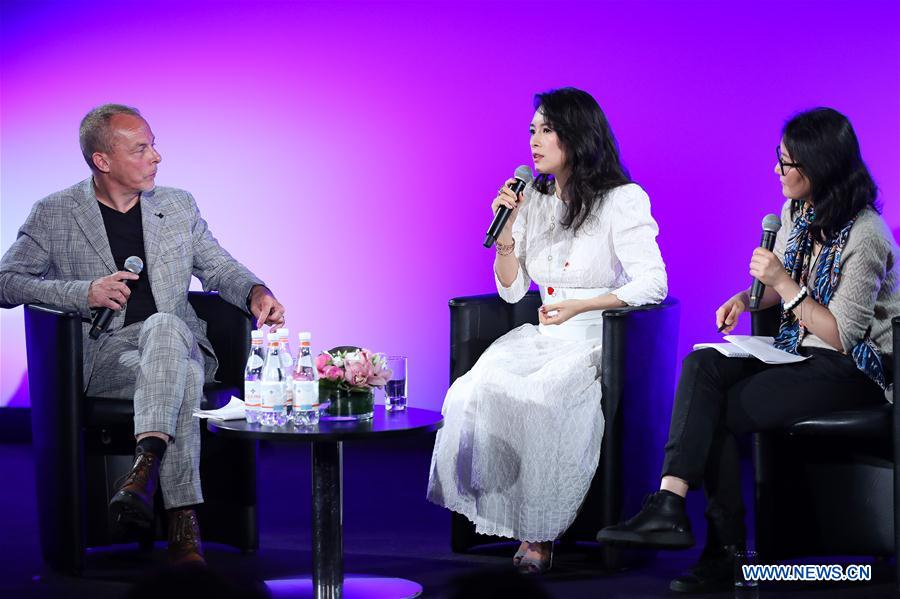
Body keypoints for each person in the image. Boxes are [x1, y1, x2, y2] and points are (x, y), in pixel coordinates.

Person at [597, 107, 899, 593]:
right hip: (800, 351)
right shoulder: (803, 213)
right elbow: (787, 291)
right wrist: (747, 297)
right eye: (778, 160)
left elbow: (843, 334)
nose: (776, 172)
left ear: (819, 166)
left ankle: (723, 551)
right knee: (703, 364)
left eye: (787, 163)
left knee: (713, 411)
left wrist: (783, 281)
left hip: (856, 370)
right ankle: (670, 502)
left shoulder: (866, 236)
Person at [0, 104, 286, 565]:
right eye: (141, 148)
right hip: (108, 357)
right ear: (103, 161)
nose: (157, 156)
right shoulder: (55, 214)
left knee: (166, 327)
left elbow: (217, 265)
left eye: (153, 144)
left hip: (175, 344)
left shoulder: (176, 205)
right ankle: (183, 526)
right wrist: (82, 292)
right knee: (185, 380)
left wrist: (255, 291)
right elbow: (6, 283)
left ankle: (144, 468)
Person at [426, 87, 667, 574]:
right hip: (543, 334)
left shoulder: (621, 200)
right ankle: (499, 516)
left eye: (548, 130)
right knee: (476, 387)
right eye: (532, 130)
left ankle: (540, 533)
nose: (535, 141)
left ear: (577, 136)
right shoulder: (533, 198)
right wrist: (508, 235)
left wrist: (583, 305)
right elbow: (515, 293)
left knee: (544, 394)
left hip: (597, 335)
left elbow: (654, 283)